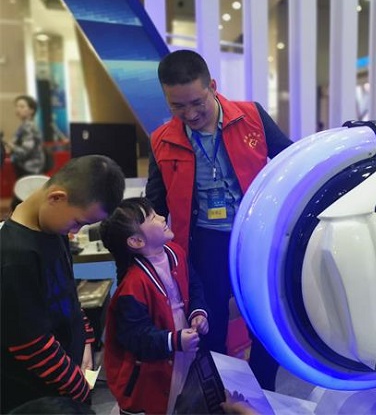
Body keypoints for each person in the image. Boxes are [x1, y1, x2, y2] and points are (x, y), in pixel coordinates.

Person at [145, 49, 293, 391]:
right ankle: (220, 395)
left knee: (265, 324)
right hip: (203, 244)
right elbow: (156, 201)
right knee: (209, 326)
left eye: (197, 102)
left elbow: (290, 159)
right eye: (177, 106)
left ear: (212, 86)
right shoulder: (161, 140)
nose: (190, 114)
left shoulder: (252, 116)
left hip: (254, 238)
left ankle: (261, 395)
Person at [0, 155, 125, 413]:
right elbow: (30, 343)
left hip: (67, 375)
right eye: (79, 222)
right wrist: (77, 386)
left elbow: (68, 290)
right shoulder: (14, 256)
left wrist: (86, 338)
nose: (76, 231)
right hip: (38, 395)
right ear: (56, 197)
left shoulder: (54, 228)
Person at [99, 197, 210, 414]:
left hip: (183, 349)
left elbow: (194, 285)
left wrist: (199, 313)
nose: (161, 217)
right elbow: (135, 336)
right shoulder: (132, 285)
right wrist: (174, 340)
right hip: (154, 368)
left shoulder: (176, 253)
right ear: (136, 241)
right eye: (152, 217)